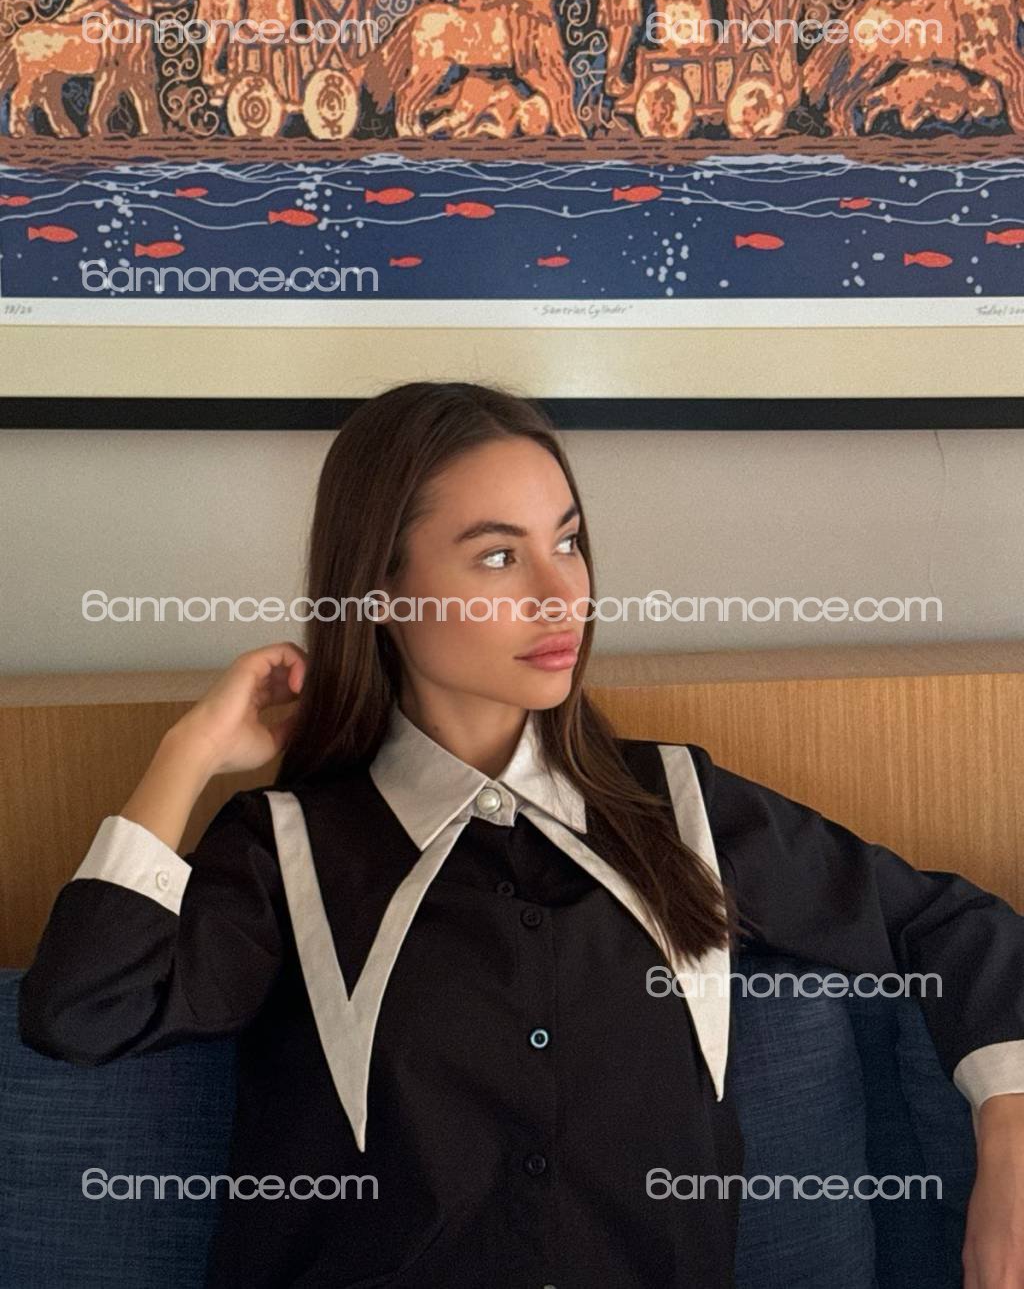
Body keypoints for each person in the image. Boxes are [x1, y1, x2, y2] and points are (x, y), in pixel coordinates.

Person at [17, 380, 1024, 1288]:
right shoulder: (288, 850)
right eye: (499, 556)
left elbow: (949, 927)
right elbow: (83, 1011)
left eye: (569, 541)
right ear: (380, 593)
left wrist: (1010, 1136)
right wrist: (188, 752)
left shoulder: (683, 810)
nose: (560, 593)